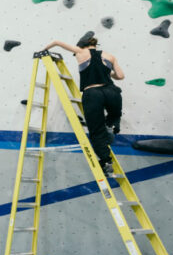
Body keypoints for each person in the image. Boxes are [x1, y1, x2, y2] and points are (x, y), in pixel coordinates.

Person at [43, 32, 124, 175]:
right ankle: (112, 124)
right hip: (112, 92)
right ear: (95, 44)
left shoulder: (80, 52)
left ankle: (106, 161)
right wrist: (108, 74)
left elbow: (56, 41)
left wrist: (42, 50)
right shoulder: (109, 55)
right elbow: (120, 76)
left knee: (96, 131)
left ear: (83, 44)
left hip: (93, 93)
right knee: (113, 114)